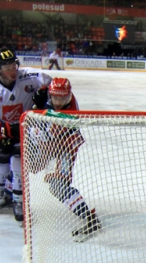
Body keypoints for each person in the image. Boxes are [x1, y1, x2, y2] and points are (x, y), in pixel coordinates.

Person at [0, 46, 52, 222]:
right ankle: (1, 193)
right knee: (1, 166)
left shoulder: (29, 76)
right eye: (7, 67)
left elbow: (51, 83)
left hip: (25, 129)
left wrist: (44, 96)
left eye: (13, 65)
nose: (12, 70)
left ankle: (19, 201)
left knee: (18, 166)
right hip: (3, 130)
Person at [26, 77, 101, 241]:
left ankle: (89, 218)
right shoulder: (54, 94)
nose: (59, 102)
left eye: (63, 98)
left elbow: (47, 140)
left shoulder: (69, 115)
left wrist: (36, 109)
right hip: (51, 143)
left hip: (64, 147)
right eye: (56, 98)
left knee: (58, 185)